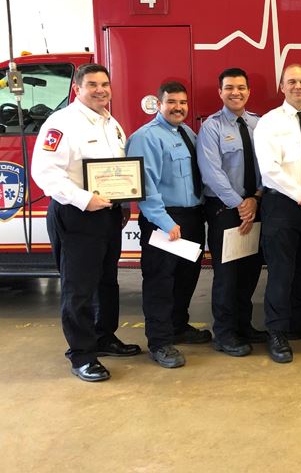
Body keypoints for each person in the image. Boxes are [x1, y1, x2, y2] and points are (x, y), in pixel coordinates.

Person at [31, 63, 140, 382]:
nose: (100, 90)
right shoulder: (61, 123)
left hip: (107, 214)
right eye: (92, 84)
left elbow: (119, 170)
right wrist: (83, 199)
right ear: (77, 89)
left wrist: (122, 203)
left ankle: (104, 336)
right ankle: (81, 354)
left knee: (107, 280)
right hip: (76, 214)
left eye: (105, 84)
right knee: (79, 287)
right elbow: (45, 173)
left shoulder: (111, 123)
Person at [126, 81, 207, 369]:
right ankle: (160, 342)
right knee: (160, 282)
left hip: (191, 217)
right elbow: (144, 185)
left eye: (182, 102)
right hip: (164, 220)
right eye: (171, 102)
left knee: (186, 277)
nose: (178, 107)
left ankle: (178, 326)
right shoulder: (146, 137)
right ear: (159, 104)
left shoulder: (187, 133)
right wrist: (165, 222)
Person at [254, 64, 301, 364]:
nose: (298, 86)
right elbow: (269, 169)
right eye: (292, 82)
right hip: (283, 205)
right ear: (281, 87)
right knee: (281, 273)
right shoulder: (269, 122)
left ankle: (299, 321)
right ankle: (277, 331)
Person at [197, 68, 268, 358]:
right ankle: (225, 333)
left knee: (250, 270)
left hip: (256, 205)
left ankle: (243, 325)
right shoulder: (211, 127)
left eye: (240, 87)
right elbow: (211, 173)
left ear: (248, 91)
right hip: (225, 209)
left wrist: (256, 197)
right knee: (227, 274)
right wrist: (241, 203)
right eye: (229, 88)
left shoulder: (259, 124)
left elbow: (268, 165)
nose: (235, 92)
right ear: (220, 92)